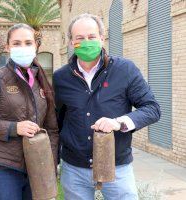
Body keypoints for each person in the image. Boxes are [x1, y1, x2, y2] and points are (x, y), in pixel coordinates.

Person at [53, 13, 161, 200]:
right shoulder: (61, 77)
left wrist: (118, 123)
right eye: (80, 38)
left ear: (102, 38)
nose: (86, 42)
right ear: (71, 42)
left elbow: (152, 108)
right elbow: (57, 121)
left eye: (92, 37)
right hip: (75, 170)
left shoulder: (125, 70)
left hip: (117, 167)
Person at [0, 23, 59, 200]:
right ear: (7, 47)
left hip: (37, 165)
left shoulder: (42, 82)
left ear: (36, 46)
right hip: (4, 167)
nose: (22, 47)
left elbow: (52, 129)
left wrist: (50, 165)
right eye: (16, 43)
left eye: (28, 42)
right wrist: (13, 128)